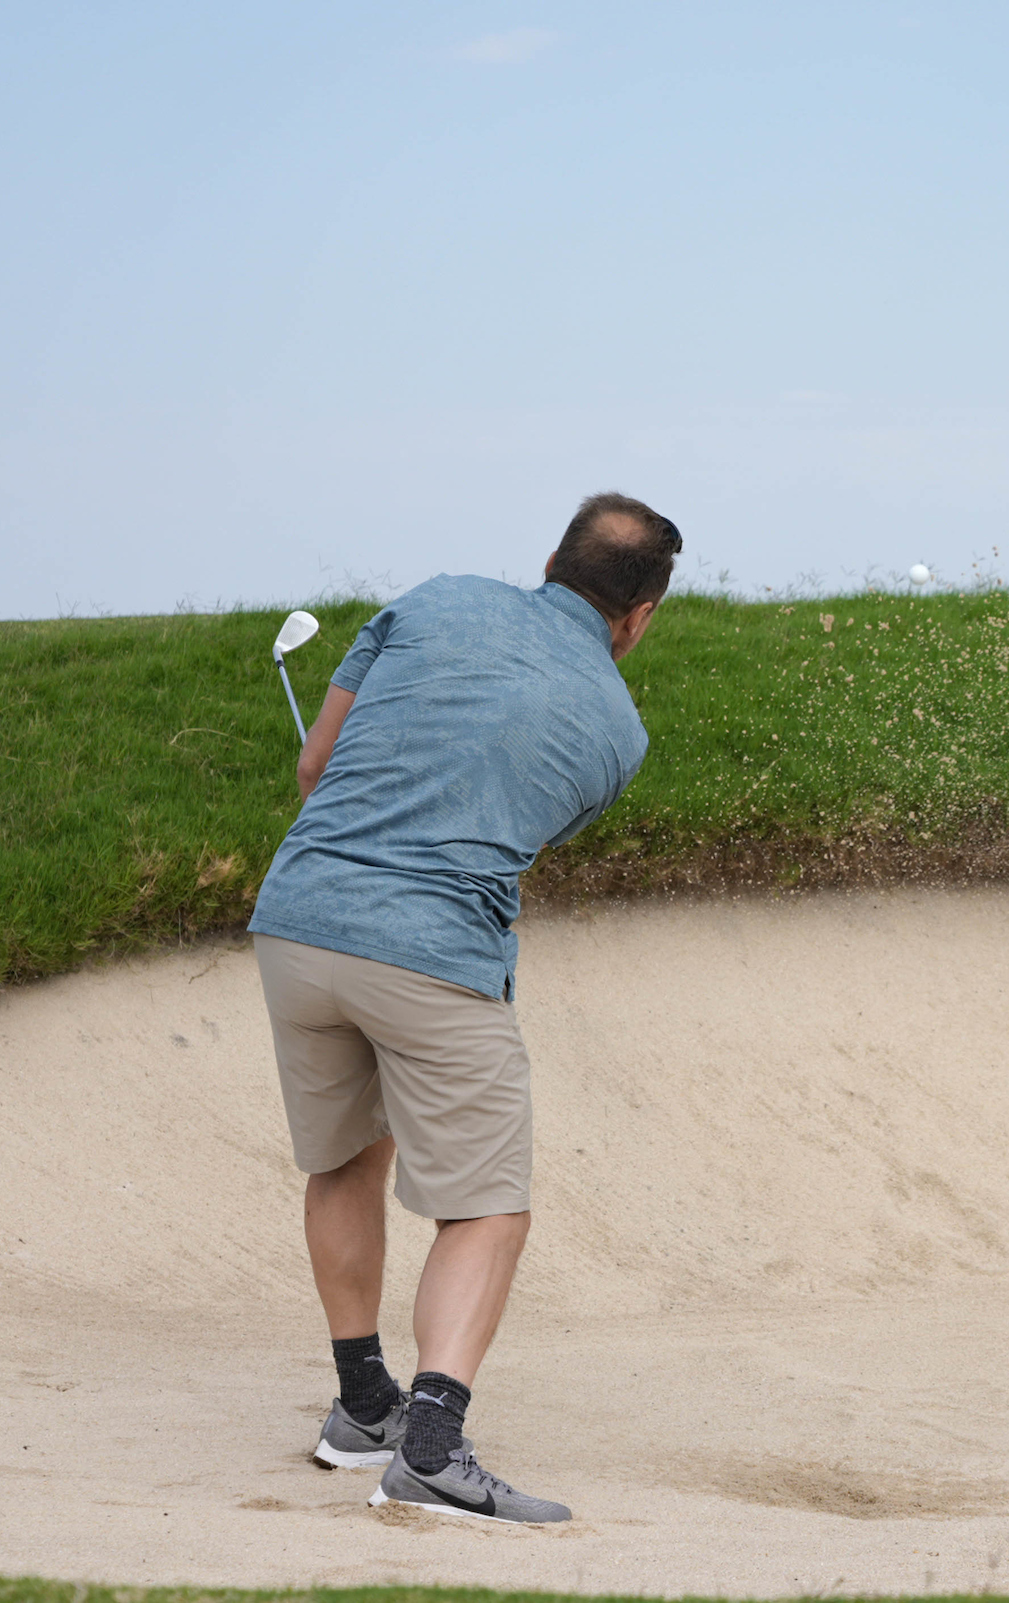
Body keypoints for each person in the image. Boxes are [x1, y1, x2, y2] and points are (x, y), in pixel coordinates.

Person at [246, 492, 681, 1524]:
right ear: (640, 616)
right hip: (432, 959)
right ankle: (431, 1452)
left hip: (296, 923)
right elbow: (519, 830)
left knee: (344, 1161)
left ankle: (364, 1410)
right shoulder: (619, 731)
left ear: (551, 562)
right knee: (487, 1208)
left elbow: (316, 768)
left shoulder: (432, 601)